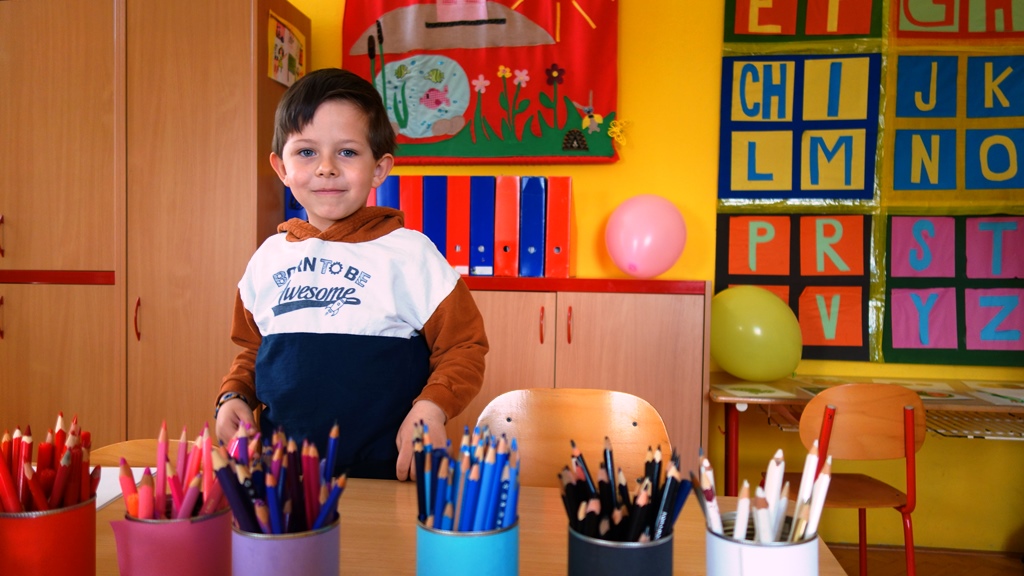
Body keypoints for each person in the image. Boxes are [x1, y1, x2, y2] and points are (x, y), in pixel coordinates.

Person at [215, 68, 488, 480]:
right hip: (283, 477)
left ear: (379, 169)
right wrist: (234, 395)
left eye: (346, 152)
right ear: (281, 168)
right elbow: (253, 350)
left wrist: (431, 407)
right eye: (306, 152)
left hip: (385, 478)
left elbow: (463, 346)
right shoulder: (267, 258)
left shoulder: (411, 255)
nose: (326, 168)